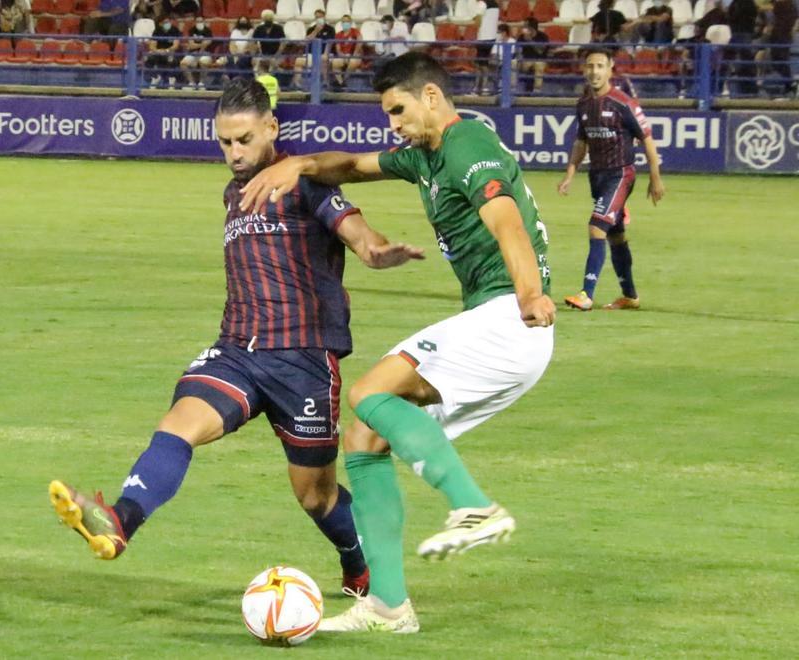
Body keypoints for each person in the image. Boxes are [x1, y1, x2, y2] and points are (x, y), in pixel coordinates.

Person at [49, 79, 426, 597]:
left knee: (315, 497)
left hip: (303, 360)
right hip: (238, 349)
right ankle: (120, 521)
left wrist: (376, 251)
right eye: (225, 142)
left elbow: (356, 231)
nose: (234, 153)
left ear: (271, 127)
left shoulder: (305, 180)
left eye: (244, 139)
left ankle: (361, 565)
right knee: (179, 424)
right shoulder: (235, 191)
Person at [240, 51, 556, 633]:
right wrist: (302, 165)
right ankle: (388, 606)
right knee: (364, 436)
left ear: (431, 96)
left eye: (399, 111)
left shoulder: (467, 147)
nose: (394, 125)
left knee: (368, 392)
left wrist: (531, 292)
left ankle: (473, 506)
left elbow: (506, 218)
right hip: (501, 325)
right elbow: (356, 166)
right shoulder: (426, 155)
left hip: (509, 316)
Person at [559, 48, 665, 312]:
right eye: (590, 66)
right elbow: (580, 142)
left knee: (596, 227)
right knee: (616, 237)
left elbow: (647, 140)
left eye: (599, 66)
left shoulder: (623, 103)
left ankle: (586, 294)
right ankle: (629, 296)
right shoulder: (583, 104)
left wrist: (656, 178)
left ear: (610, 69)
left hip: (621, 175)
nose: (594, 71)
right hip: (598, 177)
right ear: (584, 70)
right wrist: (570, 174)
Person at [292, 8, 336, 90]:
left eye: (320, 17)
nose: (319, 19)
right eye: (317, 17)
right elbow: (306, 41)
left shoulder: (330, 29)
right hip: (311, 55)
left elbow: (330, 43)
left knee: (324, 59)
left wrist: (326, 54)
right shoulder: (311, 29)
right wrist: (315, 31)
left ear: (324, 17)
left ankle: (326, 83)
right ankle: (297, 84)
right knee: (298, 60)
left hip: (325, 54)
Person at [145, 14, 182, 88]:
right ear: (160, 24)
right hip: (158, 52)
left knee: (172, 59)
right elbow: (152, 45)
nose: (168, 24)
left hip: (170, 51)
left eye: (169, 22)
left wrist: (167, 50)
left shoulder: (175, 30)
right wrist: (157, 51)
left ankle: (171, 79)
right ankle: (155, 77)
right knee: (148, 58)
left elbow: (176, 45)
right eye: (165, 22)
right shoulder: (157, 31)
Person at [515, 17, 550, 93]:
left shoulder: (543, 36)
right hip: (525, 61)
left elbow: (540, 51)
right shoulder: (521, 37)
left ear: (531, 28)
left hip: (540, 60)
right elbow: (517, 50)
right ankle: (511, 89)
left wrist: (530, 41)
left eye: (525, 26)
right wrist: (519, 57)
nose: (523, 28)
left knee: (539, 65)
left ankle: (537, 90)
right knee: (513, 63)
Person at [473, 0, 500, 94]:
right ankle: (478, 87)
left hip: (483, 38)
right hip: (492, 37)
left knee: (481, 65)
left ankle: (483, 87)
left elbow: (477, 22)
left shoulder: (482, 4)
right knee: (481, 64)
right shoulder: (496, 5)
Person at [180, 17, 214, 89]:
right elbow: (191, 45)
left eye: (201, 21)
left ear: (204, 22)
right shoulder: (192, 30)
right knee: (183, 63)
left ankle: (201, 83)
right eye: (198, 21)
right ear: (195, 22)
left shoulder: (208, 31)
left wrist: (197, 47)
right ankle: (191, 83)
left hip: (206, 52)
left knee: (203, 61)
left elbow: (207, 44)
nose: (199, 23)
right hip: (193, 53)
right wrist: (202, 44)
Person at [329, 14, 362, 89]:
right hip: (343, 56)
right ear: (341, 23)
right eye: (343, 22)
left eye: (347, 21)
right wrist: (343, 56)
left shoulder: (355, 31)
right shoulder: (338, 34)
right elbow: (338, 49)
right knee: (335, 62)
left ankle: (344, 80)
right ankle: (341, 83)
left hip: (355, 56)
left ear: (350, 22)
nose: (345, 23)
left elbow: (359, 42)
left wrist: (353, 54)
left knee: (353, 62)